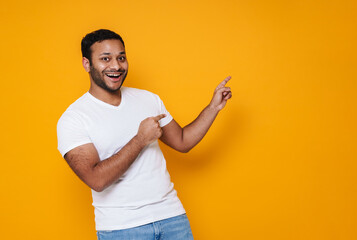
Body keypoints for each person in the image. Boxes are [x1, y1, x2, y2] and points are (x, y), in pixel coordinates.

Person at [57, 29, 232, 240]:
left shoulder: (148, 100)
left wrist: (213, 107)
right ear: (87, 64)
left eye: (121, 57)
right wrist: (141, 139)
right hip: (123, 228)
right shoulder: (74, 119)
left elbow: (183, 141)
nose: (116, 66)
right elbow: (97, 180)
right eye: (105, 59)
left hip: (172, 218)